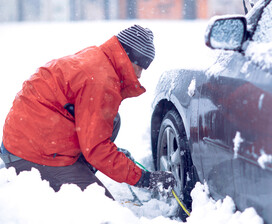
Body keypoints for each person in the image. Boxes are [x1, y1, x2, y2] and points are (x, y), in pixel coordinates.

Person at [0, 24, 175, 199]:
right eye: (141, 67)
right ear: (130, 59)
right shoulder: (101, 82)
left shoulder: (98, 59)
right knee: (101, 207)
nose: (140, 75)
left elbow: (94, 130)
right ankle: (60, 173)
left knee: (112, 120)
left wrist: (114, 156)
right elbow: (97, 148)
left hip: (29, 138)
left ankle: (76, 168)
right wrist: (145, 179)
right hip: (31, 155)